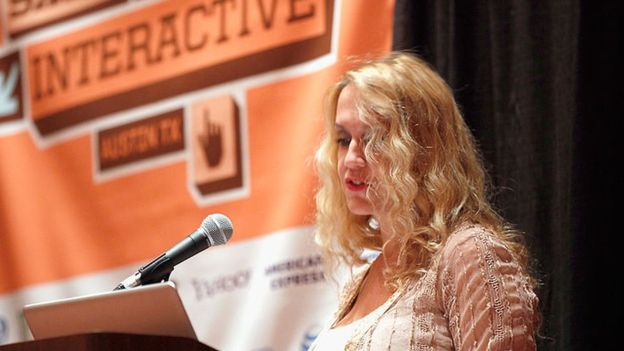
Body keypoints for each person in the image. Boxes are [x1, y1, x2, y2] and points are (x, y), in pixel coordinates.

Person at [310, 52, 539, 350]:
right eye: (343, 140)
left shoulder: (470, 253)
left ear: (422, 149)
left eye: (372, 139)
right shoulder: (359, 281)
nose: (351, 159)